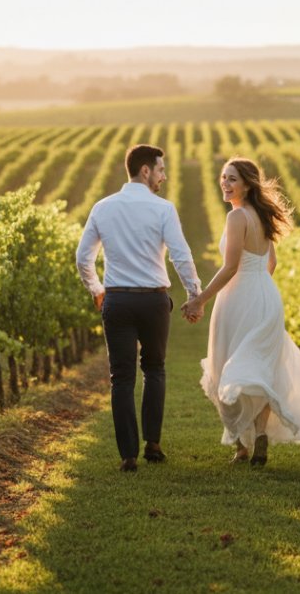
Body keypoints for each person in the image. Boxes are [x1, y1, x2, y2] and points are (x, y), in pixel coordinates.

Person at [182, 157, 300, 466]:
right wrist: (259, 288)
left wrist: (200, 300)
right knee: (260, 367)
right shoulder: (262, 216)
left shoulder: (237, 218)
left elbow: (231, 267)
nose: (225, 183)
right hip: (266, 297)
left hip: (239, 299)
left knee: (228, 368)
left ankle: (242, 448)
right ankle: (257, 437)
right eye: (223, 177)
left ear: (247, 184)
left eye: (232, 179)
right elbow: (271, 264)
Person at [76, 144, 202, 472]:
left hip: (116, 299)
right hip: (153, 300)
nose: (164, 176)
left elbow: (83, 257)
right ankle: (154, 445)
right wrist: (194, 293)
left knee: (121, 377)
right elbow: (180, 254)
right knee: (155, 369)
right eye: (160, 170)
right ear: (145, 171)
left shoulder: (102, 208)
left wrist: (96, 289)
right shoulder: (163, 209)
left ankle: (128, 456)